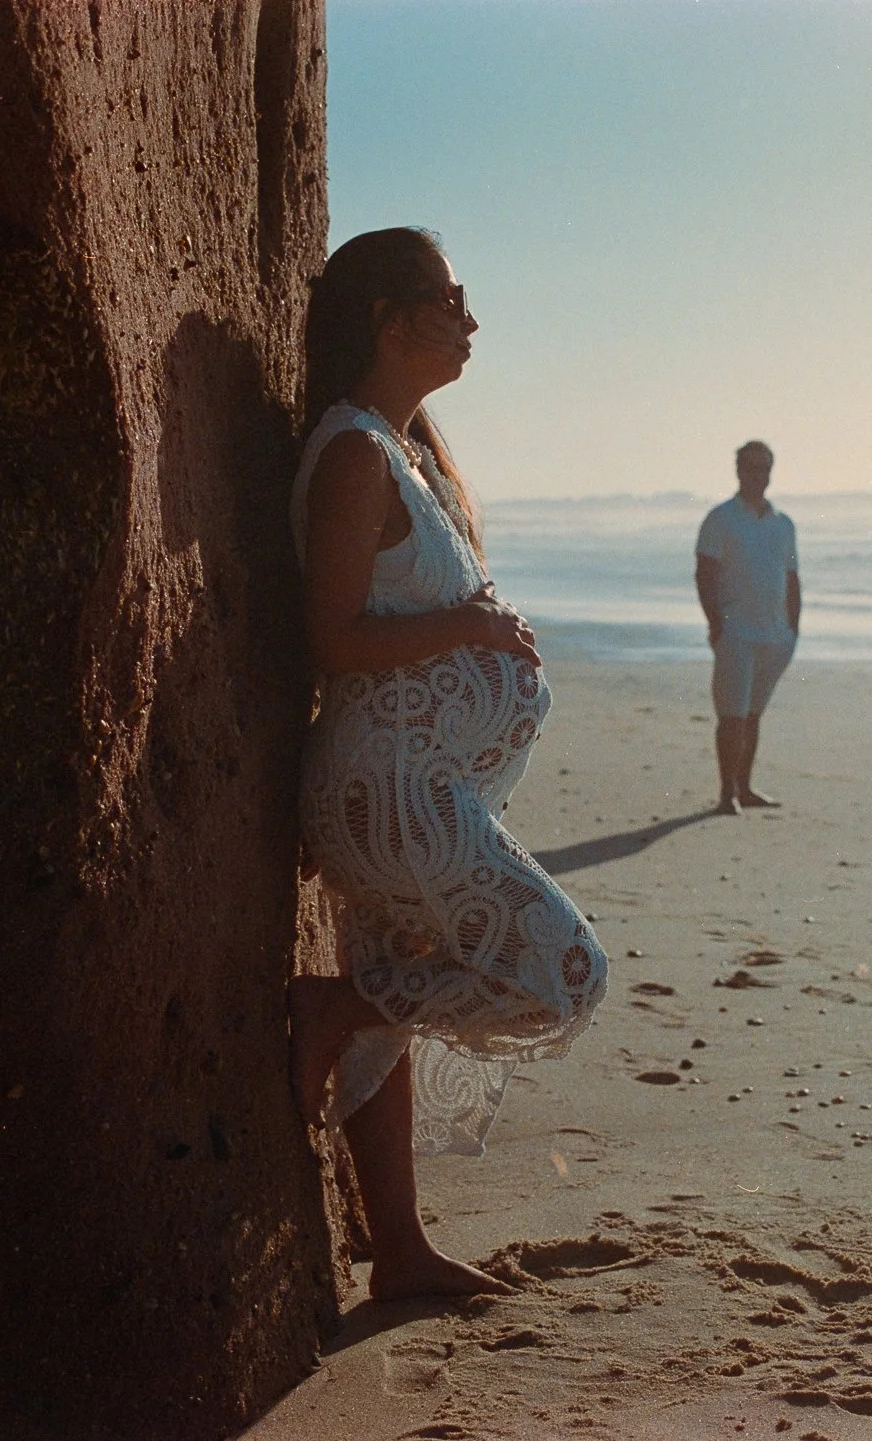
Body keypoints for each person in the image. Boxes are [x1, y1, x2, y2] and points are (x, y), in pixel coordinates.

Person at [286, 228, 608, 1300]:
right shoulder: (353, 456)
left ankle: (401, 1250)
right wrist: (468, 635)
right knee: (566, 975)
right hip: (390, 792)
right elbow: (330, 636)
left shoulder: (407, 451)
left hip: (424, 792)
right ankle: (332, 1011)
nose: (468, 318)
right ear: (387, 317)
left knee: (394, 1021)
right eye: (447, 296)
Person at [695, 440, 801, 814]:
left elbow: (791, 578)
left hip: (775, 636)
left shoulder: (782, 524)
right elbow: (704, 574)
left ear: (771, 472)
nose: (757, 474)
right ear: (738, 470)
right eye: (750, 467)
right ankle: (727, 795)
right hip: (736, 633)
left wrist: (793, 630)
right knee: (732, 716)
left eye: (763, 468)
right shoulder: (721, 519)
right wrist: (716, 625)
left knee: (753, 714)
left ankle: (746, 787)